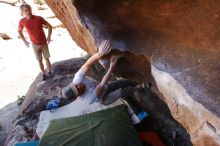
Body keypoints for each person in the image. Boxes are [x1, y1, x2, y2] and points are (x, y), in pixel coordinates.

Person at [62, 40, 151, 106]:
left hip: (106, 86)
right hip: (104, 98)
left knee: (124, 83)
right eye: (78, 89)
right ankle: (139, 88)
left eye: (75, 85)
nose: (79, 85)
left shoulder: (77, 79)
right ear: (78, 96)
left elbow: (87, 65)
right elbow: (101, 84)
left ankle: (133, 83)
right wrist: (111, 67)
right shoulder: (87, 100)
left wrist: (99, 54)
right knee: (120, 93)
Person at [18, 3, 52, 81]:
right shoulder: (22, 21)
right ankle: (44, 74)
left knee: (47, 58)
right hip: (34, 44)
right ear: (22, 12)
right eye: (25, 10)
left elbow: (50, 26)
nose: (28, 11)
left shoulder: (39, 18)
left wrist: (49, 37)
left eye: (29, 9)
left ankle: (50, 72)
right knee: (39, 60)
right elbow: (19, 31)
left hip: (43, 42)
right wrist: (25, 41)